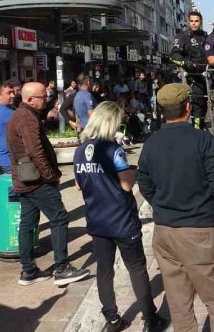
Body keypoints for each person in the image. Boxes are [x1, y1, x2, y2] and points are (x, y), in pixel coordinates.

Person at [137, 84, 214, 331]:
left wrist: (163, 205)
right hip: (199, 231)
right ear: (187, 107)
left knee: (179, 304)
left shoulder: (151, 143)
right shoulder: (203, 140)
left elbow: (144, 183)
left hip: (164, 234)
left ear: (161, 111)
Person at [74, 102, 170, 332]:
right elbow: (127, 185)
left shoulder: (80, 150)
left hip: (96, 219)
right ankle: (150, 317)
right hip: (121, 220)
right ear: (111, 122)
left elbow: (79, 185)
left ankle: (112, 319)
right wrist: (134, 173)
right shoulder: (113, 150)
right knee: (136, 268)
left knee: (104, 270)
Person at [7, 82, 89, 286]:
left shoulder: (21, 115)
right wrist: (51, 175)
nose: (47, 100)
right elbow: (36, 152)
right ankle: (61, 268)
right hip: (37, 180)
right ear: (29, 99)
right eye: (43, 97)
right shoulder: (26, 118)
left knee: (27, 223)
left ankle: (29, 271)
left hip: (26, 178)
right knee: (59, 218)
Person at [171, 11, 211, 128]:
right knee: (197, 105)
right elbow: (173, 55)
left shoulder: (206, 36)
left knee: (208, 106)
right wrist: (186, 63)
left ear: (201, 22)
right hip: (193, 78)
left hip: (208, 76)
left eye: (196, 21)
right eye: (192, 21)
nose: (194, 24)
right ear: (188, 22)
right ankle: (197, 129)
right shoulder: (183, 36)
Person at [0, 82, 16, 174]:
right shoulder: (6, 113)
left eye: (13, 92)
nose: (13, 95)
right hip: (11, 161)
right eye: (9, 93)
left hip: (7, 160)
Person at [73, 74, 96, 140]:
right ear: (88, 82)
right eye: (92, 82)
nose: (93, 84)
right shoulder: (87, 95)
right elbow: (91, 113)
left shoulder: (77, 95)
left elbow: (76, 115)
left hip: (81, 129)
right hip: (89, 130)